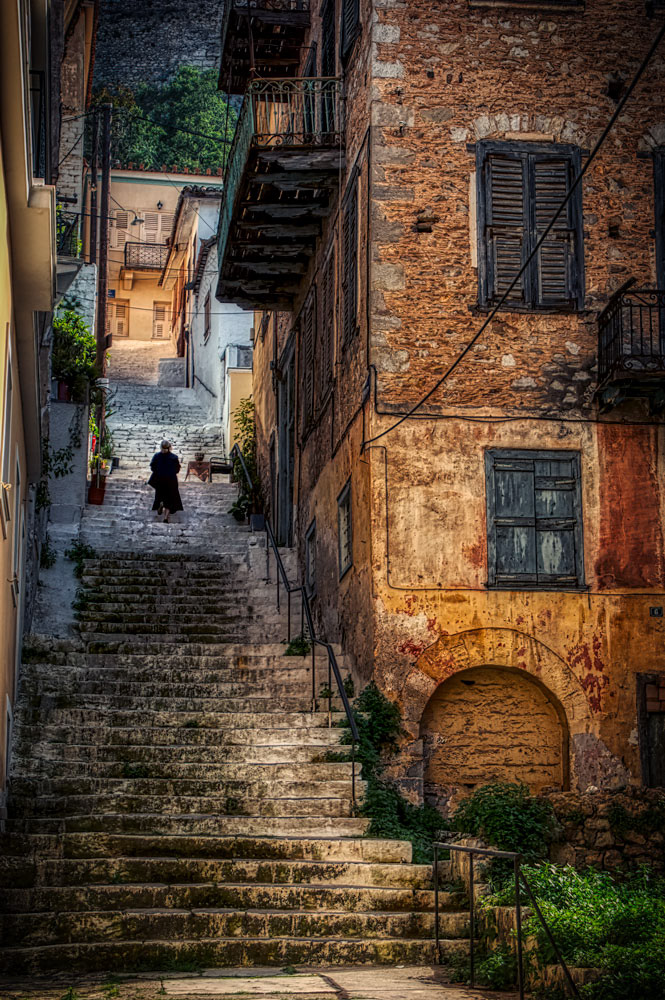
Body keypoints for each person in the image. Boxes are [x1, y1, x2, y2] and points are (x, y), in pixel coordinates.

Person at [148, 440, 183, 523]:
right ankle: (166, 518)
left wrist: (159, 472)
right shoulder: (174, 457)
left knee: (159, 496)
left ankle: (160, 504)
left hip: (160, 480)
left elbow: (152, 467)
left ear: (160, 447)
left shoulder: (156, 456)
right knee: (169, 499)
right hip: (171, 481)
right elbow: (177, 470)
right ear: (169, 447)